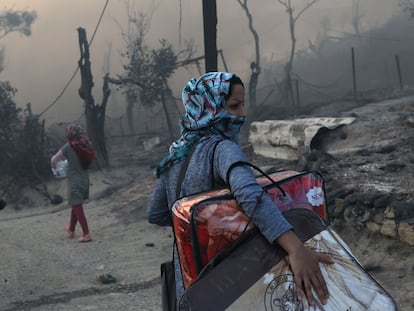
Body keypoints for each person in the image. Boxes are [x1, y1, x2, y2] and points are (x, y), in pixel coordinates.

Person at [147, 72, 334, 307]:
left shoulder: (175, 156)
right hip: (231, 275)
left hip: (189, 276)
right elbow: (249, 195)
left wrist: (198, 224)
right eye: (234, 106)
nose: (242, 113)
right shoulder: (223, 149)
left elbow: (156, 213)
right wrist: (296, 248)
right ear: (210, 108)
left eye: (243, 104)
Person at [51, 123, 95, 243]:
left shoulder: (69, 147)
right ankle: (70, 229)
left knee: (77, 206)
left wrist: (55, 170)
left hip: (75, 180)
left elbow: (54, 160)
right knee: (75, 204)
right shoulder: (86, 144)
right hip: (85, 179)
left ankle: (86, 234)